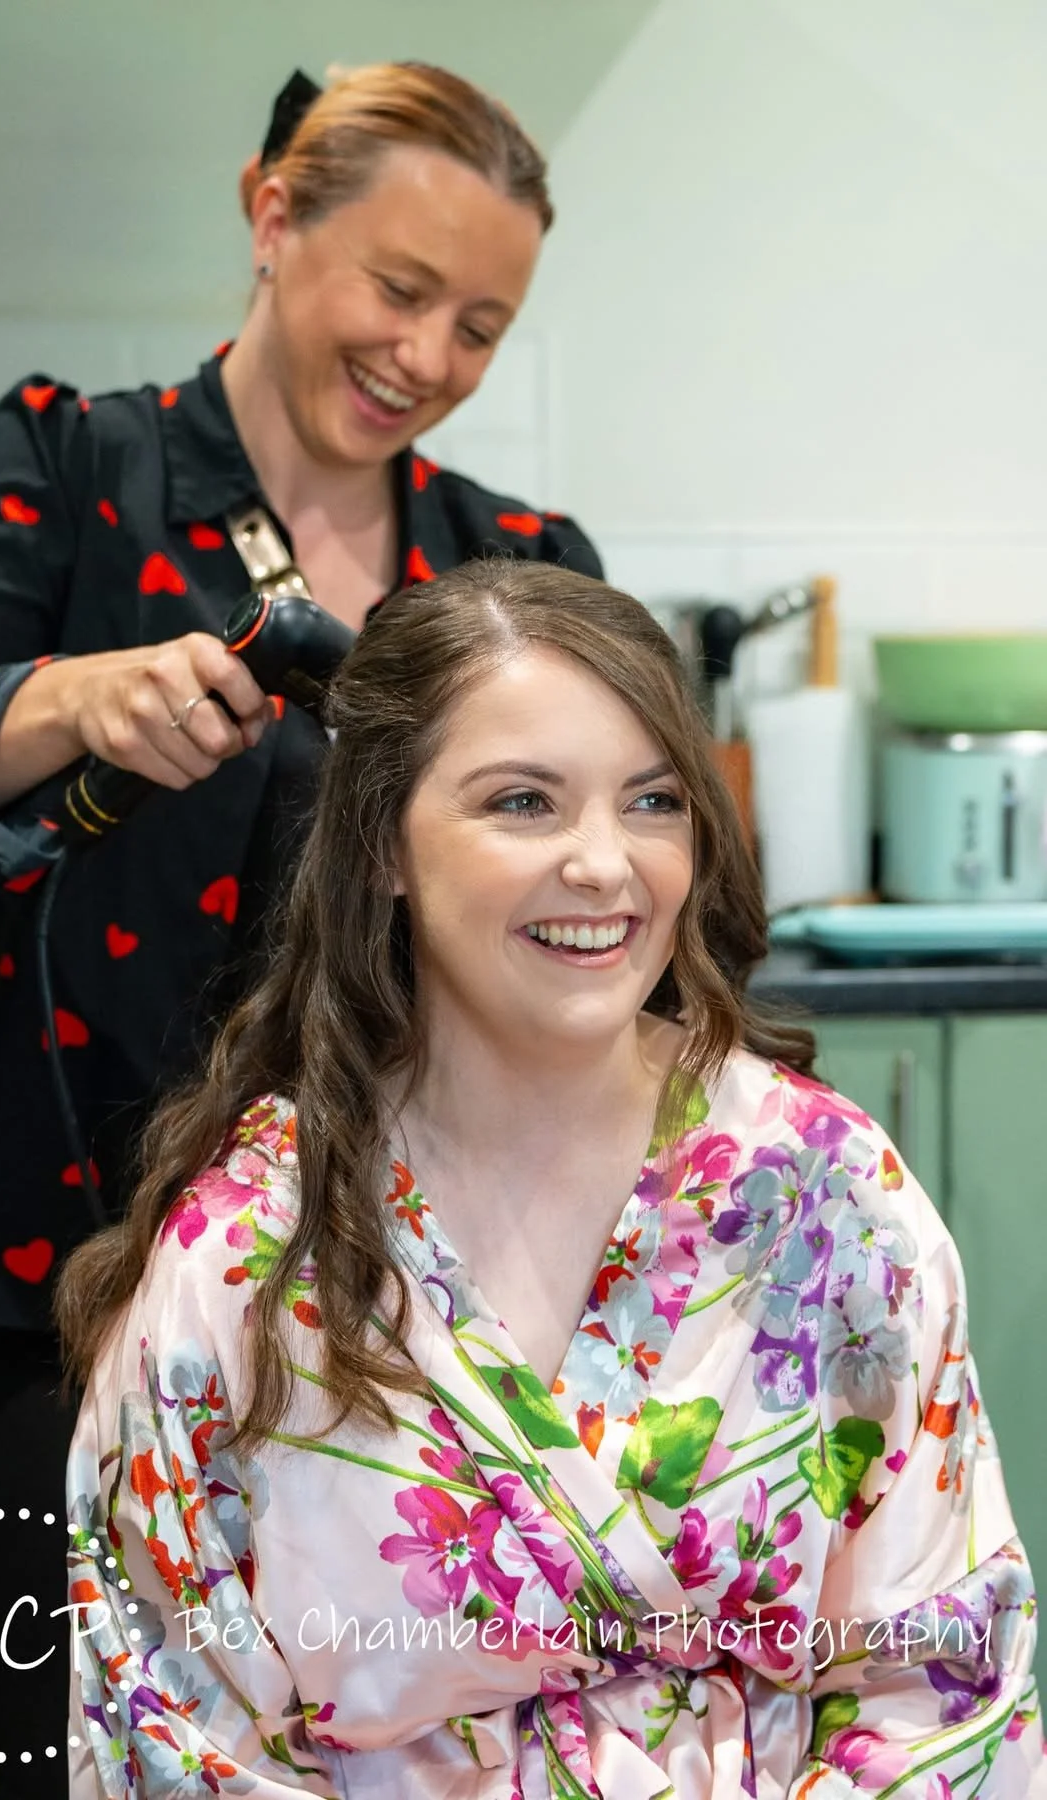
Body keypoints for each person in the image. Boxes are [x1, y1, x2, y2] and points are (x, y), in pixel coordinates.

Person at [0, 64, 600, 1791]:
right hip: (71, 1282)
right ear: (271, 215)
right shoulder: (78, 462)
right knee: (79, 1752)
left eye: (478, 325)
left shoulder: (507, 564)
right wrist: (69, 698)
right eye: (399, 291)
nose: (428, 357)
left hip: (409, 1309)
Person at [58, 560, 1043, 1799]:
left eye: (652, 802)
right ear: (380, 846)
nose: (602, 864)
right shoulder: (251, 1251)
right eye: (522, 801)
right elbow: (173, 1733)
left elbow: (944, 1684)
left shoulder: (823, 1198)